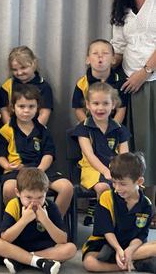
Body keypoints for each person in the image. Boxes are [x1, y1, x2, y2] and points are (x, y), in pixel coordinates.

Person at [110, 0, 156, 225]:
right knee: (135, 147)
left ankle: (151, 209)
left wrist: (146, 70)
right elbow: (119, 47)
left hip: (151, 80)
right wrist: (101, 62)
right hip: (128, 84)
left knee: (153, 145)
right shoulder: (123, 6)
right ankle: (135, 205)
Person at [0, 84, 73, 217]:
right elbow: (0, 155)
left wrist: (40, 170)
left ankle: (51, 223)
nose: (26, 111)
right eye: (21, 106)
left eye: (31, 107)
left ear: (37, 108)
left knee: (67, 187)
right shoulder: (6, 130)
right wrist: (7, 165)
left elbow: (49, 154)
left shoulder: (43, 130)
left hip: (41, 170)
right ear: (13, 108)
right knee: (8, 188)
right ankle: (19, 224)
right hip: (17, 172)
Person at [0, 168, 77, 274]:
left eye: (40, 197)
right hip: (17, 246)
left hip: (43, 248)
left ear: (46, 193)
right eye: (28, 197)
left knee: (71, 248)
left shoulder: (51, 206)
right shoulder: (14, 205)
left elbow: (62, 240)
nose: (34, 202)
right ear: (18, 193)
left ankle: (21, 260)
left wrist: (45, 220)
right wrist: (24, 220)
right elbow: (5, 238)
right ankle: (40, 262)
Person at [82, 153, 156, 272]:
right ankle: (133, 264)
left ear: (139, 181)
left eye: (123, 184)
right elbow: (107, 231)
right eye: (114, 182)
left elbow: (141, 235)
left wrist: (130, 249)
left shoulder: (146, 204)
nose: (117, 188)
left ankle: (129, 258)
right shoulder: (106, 197)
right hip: (105, 245)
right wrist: (118, 249)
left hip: (130, 246)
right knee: (89, 263)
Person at [70, 82, 130, 226]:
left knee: (130, 187)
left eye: (105, 103)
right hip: (92, 169)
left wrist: (119, 172)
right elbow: (90, 155)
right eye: (96, 103)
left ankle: (125, 225)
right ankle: (105, 226)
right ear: (88, 105)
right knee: (104, 188)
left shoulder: (119, 129)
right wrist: (105, 171)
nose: (100, 108)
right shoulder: (83, 128)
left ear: (113, 104)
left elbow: (124, 156)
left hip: (115, 168)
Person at [72, 39, 128, 124]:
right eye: (95, 53)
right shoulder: (82, 83)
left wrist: (112, 129)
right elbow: (79, 109)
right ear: (88, 59)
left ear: (113, 59)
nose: (100, 56)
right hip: (89, 126)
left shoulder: (120, 83)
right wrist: (89, 127)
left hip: (113, 128)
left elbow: (121, 110)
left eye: (105, 53)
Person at [0, 46, 53, 125]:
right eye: (15, 69)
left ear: (34, 63)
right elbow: (4, 110)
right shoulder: (7, 86)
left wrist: (33, 132)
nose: (19, 72)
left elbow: (44, 113)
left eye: (23, 68)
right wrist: (12, 130)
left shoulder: (44, 87)